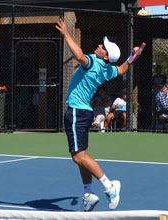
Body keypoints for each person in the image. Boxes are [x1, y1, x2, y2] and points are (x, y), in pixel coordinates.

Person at [56, 18, 139, 211]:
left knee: (78, 157)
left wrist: (67, 34)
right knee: (81, 155)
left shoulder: (94, 61)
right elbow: (121, 69)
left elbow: (79, 56)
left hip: (77, 111)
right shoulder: (107, 69)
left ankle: (109, 187)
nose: (100, 45)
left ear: (106, 55)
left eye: (104, 46)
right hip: (84, 112)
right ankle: (87, 195)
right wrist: (132, 56)